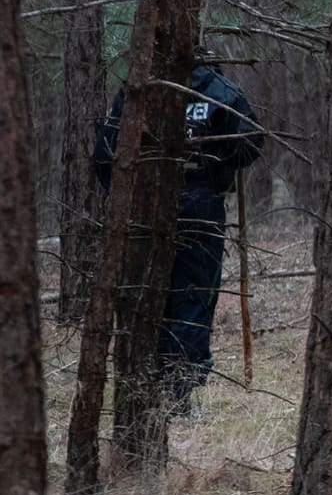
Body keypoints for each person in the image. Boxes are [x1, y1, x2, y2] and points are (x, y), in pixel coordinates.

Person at [94, 49, 263, 415]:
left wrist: (215, 169)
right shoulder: (216, 88)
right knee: (191, 294)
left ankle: (167, 389)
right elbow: (250, 140)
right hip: (184, 203)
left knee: (156, 292)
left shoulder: (145, 87)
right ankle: (175, 391)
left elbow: (104, 154)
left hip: (159, 202)